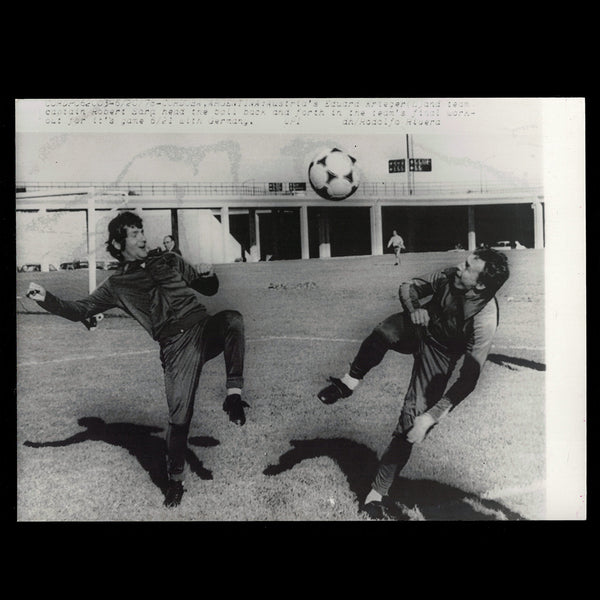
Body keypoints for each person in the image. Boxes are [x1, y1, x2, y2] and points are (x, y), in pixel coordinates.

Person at [27, 211, 248, 508]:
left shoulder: (169, 259)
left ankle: (233, 396)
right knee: (179, 418)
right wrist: (46, 298)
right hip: (175, 347)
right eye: (134, 234)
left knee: (233, 319)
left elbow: (208, 289)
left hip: (203, 327)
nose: (143, 237)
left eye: (141, 231)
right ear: (119, 245)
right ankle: (175, 481)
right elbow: (79, 310)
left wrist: (209, 274)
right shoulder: (116, 285)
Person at [316, 247, 509, 519]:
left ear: (479, 285)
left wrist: (431, 417)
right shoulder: (448, 276)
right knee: (385, 331)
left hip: (440, 357)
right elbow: (408, 287)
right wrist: (415, 308)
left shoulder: (484, 320)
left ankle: (375, 495)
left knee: (412, 423)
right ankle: (347, 383)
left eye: (467, 267)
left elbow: (468, 379)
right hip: (420, 328)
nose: (457, 266)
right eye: (464, 262)